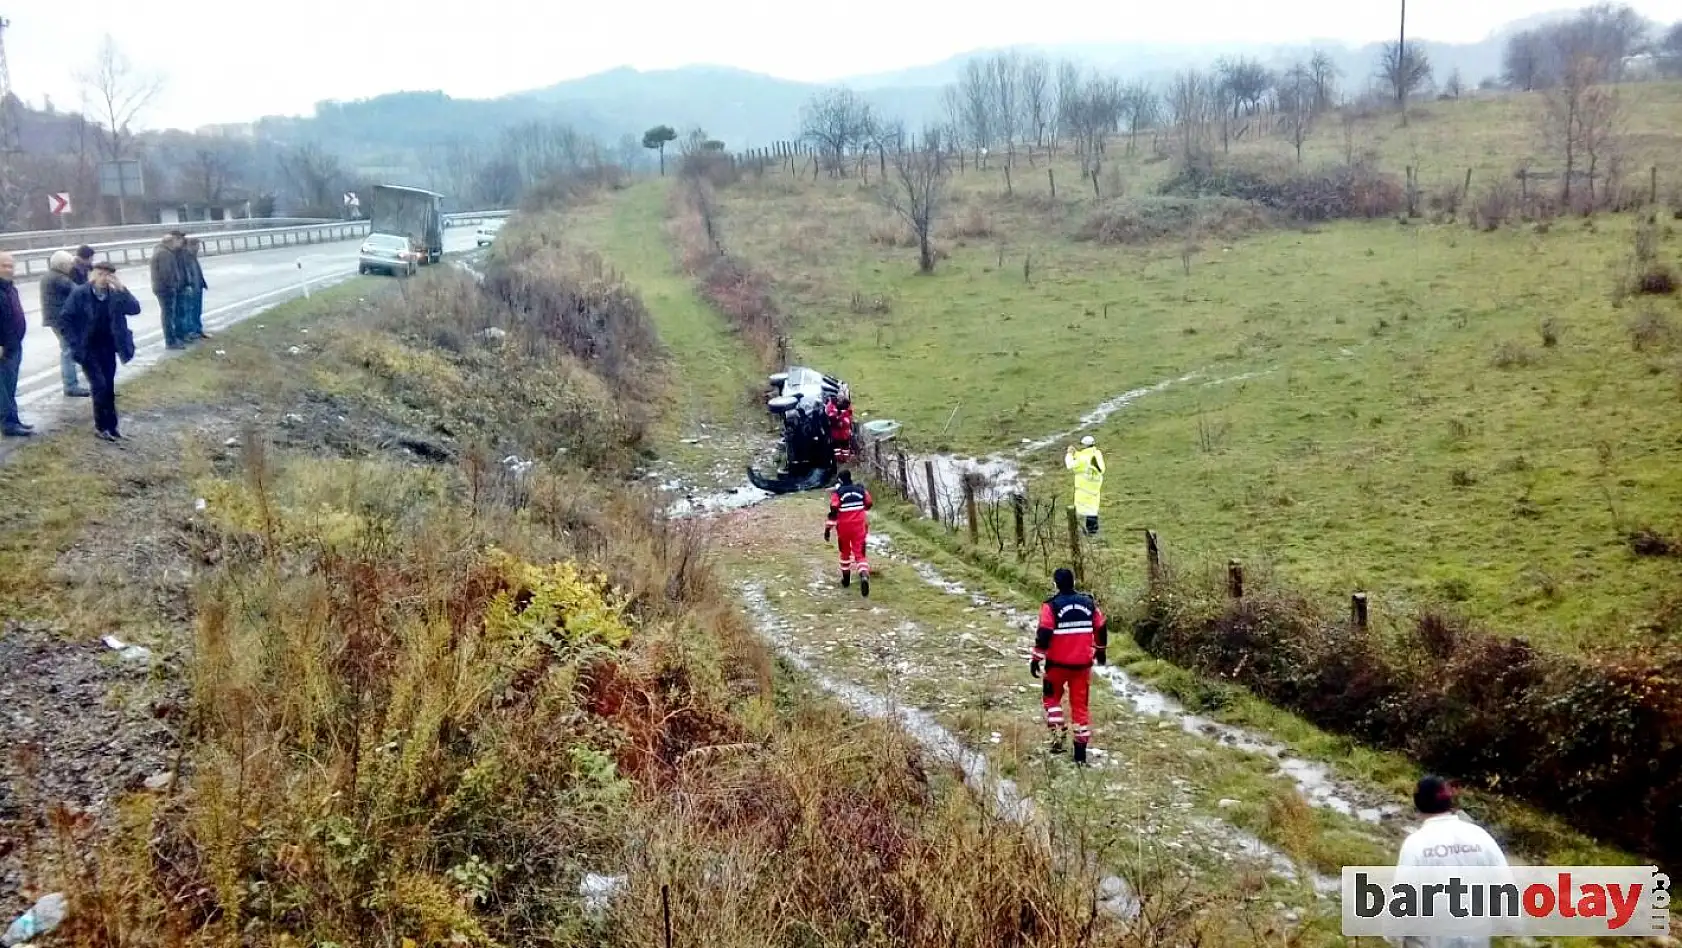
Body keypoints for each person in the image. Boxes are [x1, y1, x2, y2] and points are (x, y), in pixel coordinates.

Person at [1389, 776, 1514, 948]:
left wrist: (1394, 935)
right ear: (1450, 803)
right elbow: (1504, 883)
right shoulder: (1479, 835)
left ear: (1417, 805)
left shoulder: (1416, 844)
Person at [1030, 567, 1108, 765]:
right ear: (1073, 582)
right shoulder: (1089, 603)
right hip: (1082, 666)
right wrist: (1100, 650)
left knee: (1051, 698)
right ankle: (1080, 756)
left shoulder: (1051, 606)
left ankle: (1057, 735)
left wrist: (1036, 657)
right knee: (1080, 707)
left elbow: (1044, 634)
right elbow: (1101, 627)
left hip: (1057, 665)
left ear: (1055, 584)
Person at [58, 262, 140, 442]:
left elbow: (135, 309)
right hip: (89, 347)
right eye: (100, 274)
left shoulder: (115, 294)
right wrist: (75, 343)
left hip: (109, 346)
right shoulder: (80, 293)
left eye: (108, 275)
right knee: (99, 385)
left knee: (109, 386)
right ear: (93, 275)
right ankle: (100, 426)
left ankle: (113, 426)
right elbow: (65, 319)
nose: (104, 278)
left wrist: (122, 289)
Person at [40, 251, 92, 398]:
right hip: (61, 320)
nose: (72, 267)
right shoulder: (59, 278)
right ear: (62, 265)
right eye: (70, 264)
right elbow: (80, 291)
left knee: (69, 349)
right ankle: (71, 386)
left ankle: (73, 383)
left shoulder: (50, 275)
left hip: (55, 319)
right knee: (68, 351)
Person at [824, 469, 873, 597]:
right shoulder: (861, 490)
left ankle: (846, 580)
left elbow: (834, 511)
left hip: (844, 528)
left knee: (845, 553)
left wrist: (827, 529)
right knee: (860, 554)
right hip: (859, 527)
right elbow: (869, 503)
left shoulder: (838, 493)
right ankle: (863, 575)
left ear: (839, 480)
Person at [0, 251, 32, 438]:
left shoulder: (10, 288)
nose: (8, 269)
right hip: (3, 347)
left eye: (10, 265)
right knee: (3, 389)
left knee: (10, 387)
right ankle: (8, 424)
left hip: (14, 345)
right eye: (4, 265)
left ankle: (14, 419)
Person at [149, 230, 188, 350]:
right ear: (170, 242)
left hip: (162, 288)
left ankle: (172, 339)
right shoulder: (164, 254)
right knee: (168, 315)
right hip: (165, 289)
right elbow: (167, 273)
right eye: (176, 241)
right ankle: (171, 341)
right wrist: (173, 286)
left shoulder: (161, 251)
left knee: (168, 314)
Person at [1065, 435, 1106, 535]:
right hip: (1095, 486)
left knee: (1081, 509)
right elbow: (1085, 457)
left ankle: (1080, 531)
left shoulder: (1083, 458)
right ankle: (1093, 531)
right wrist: (1076, 453)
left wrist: (1070, 454)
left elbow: (1070, 465)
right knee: (1093, 508)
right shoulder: (1097, 453)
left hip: (1084, 487)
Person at [178, 237, 210, 341]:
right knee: (189, 310)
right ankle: (190, 331)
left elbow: (197, 271)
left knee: (197, 310)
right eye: (196, 245)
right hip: (191, 288)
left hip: (198, 286)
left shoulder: (193, 256)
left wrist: (202, 283)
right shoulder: (185, 257)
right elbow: (186, 273)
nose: (198, 248)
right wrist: (188, 285)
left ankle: (198, 330)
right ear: (190, 246)